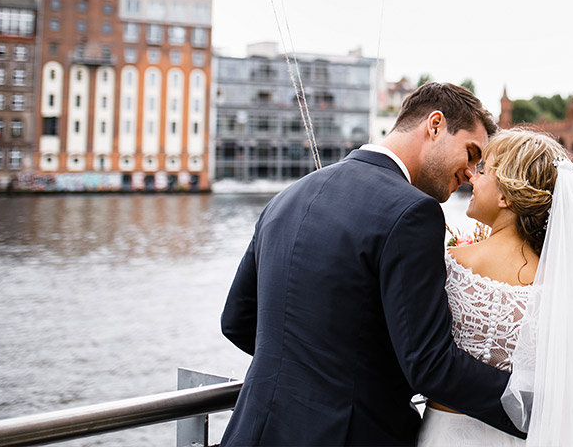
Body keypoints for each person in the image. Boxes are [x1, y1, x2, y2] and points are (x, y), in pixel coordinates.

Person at [219, 82, 524, 447]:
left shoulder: (286, 197)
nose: (472, 172)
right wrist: (537, 408)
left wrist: (315, 371)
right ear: (435, 124)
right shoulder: (412, 212)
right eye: (471, 152)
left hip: (251, 433)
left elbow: (237, 322)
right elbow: (430, 364)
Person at [418, 128, 573, 447]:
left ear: (506, 196)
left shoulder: (447, 265)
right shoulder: (566, 285)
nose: (472, 179)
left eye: (483, 171)